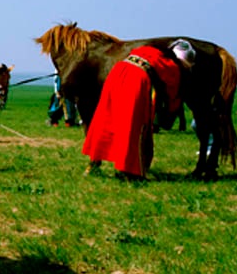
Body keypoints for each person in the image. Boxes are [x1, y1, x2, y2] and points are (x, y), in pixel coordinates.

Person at [82, 39, 193, 180]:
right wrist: (171, 110)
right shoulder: (172, 66)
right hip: (136, 79)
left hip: (117, 73)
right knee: (133, 125)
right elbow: (172, 94)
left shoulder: (149, 51)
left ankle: (93, 163)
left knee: (106, 119)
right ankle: (129, 171)